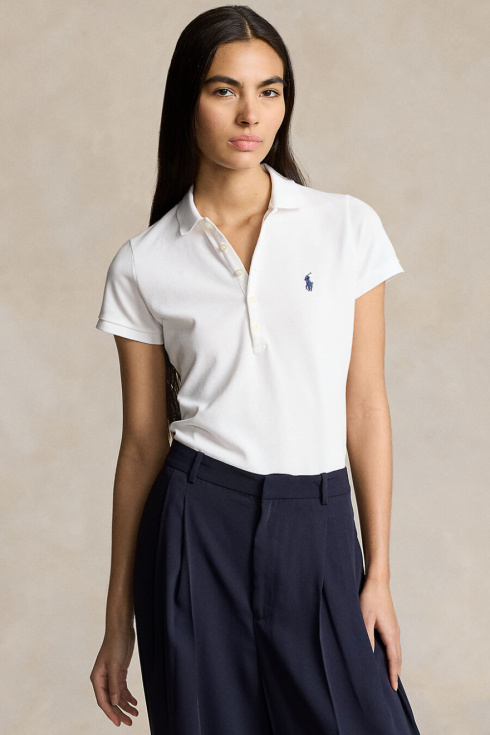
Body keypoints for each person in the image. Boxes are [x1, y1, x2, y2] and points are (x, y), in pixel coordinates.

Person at [90, 6, 422, 734]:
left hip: (320, 523)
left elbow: (365, 406)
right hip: (195, 529)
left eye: (270, 91)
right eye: (224, 90)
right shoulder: (144, 262)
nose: (251, 114)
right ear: (188, 102)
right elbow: (142, 443)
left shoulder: (345, 227)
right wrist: (118, 621)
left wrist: (378, 572)